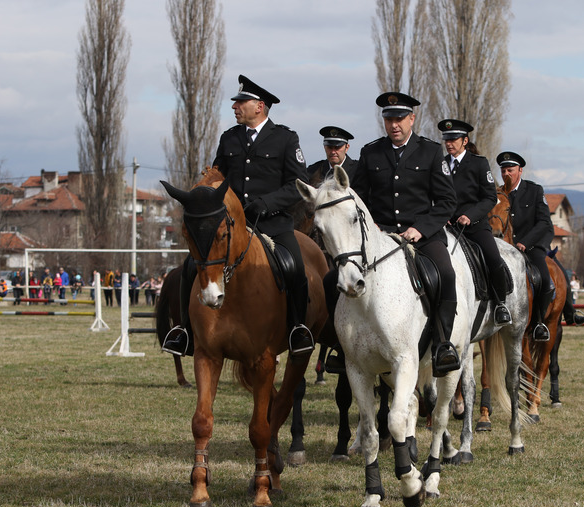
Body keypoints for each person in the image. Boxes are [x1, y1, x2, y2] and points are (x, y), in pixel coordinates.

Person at [163, 75, 314, 358]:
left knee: (295, 266)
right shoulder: (229, 138)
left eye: (240, 102)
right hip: (230, 226)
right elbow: (216, 176)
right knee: (189, 266)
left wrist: (266, 203)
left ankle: (297, 328)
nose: (235, 106)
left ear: (259, 106)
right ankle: (184, 331)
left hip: (271, 222)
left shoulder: (285, 139)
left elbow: (298, 184)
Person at [327, 91, 460, 376]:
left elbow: (447, 202)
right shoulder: (370, 152)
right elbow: (357, 196)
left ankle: (443, 344)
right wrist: (371, 225)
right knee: (330, 281)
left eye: (399, 118)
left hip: (422, 236)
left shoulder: (431, 151)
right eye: (388, 119)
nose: (394, 125)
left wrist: (420, 229)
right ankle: (340, 347)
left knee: (446, 275)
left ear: (412, 119)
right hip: (379, 237)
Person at [497, 151, 584, 340]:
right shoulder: (497, 194)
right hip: (504, 248)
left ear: (520, 171)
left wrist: (525, 243)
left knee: (545, 278)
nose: (506, 174)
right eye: (503, 170)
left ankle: (539, 323)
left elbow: (544, 223)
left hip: (530, 247)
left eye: (510, 170)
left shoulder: (534, 191)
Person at [439, 118, 512, 326]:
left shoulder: (479, 163)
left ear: (465, 141)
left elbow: (490, 197)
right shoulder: (441, 164)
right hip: (446, 226)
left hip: (474, 226)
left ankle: (500, 304)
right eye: (446, 139)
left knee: (493, 258)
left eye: (453, 139)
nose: (449, 143)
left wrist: (470, 216)